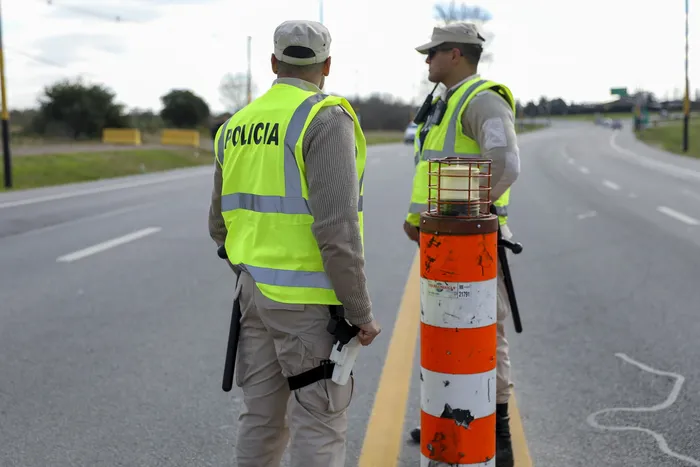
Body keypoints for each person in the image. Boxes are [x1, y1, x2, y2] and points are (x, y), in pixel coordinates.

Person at [207, 19, 381, 467]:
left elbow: (218, 226)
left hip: (252, 295)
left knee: (261, 420)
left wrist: (254, 272)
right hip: (308, 309)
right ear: (326, 65)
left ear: (273, 62)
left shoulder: (234, 126)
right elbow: (337, 229)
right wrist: (359, 311)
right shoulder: (324, 119)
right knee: (319, 425)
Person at [402, 22, 521, 467]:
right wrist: (418, 220)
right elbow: (433, 174)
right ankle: (447, 416)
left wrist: (459, 221)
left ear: (455, 54)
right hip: (443, 245)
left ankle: (499, 431)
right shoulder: (443, 102)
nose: (426, 60)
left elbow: (505, 164)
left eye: (431, 53)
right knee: (445, 331)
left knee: (484, 334)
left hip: (472, 248)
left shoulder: (482, 100)